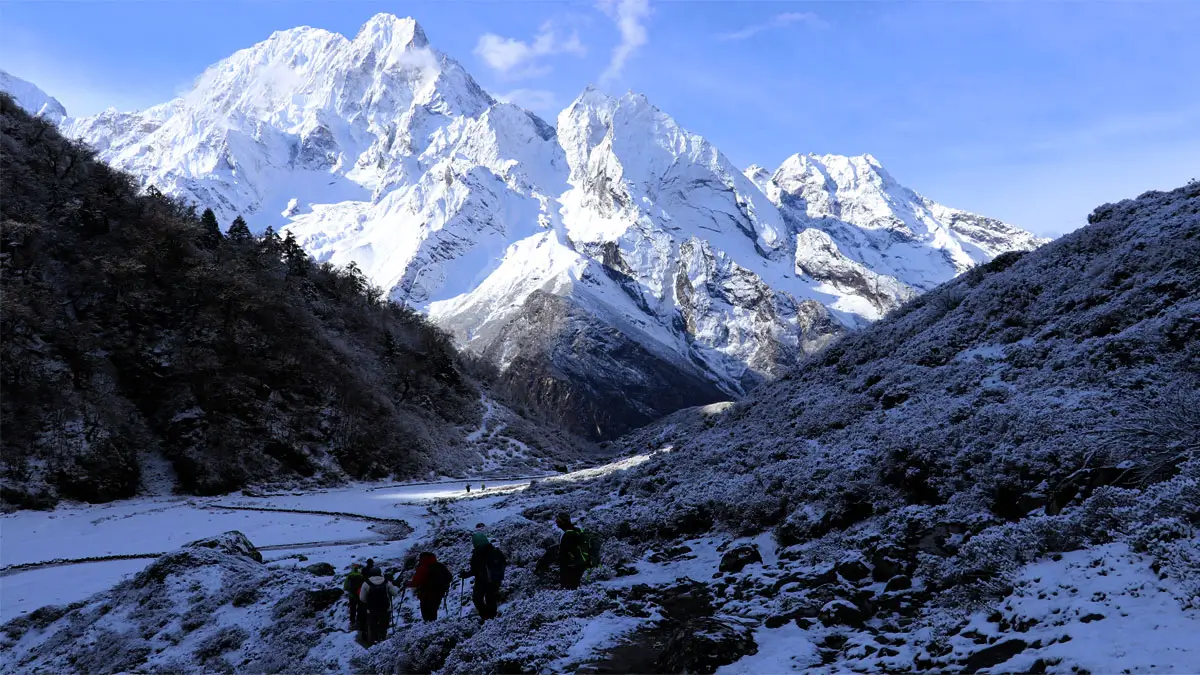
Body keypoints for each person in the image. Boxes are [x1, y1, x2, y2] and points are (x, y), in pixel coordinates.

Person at [461, 529, 506, 621]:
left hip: (481, 581)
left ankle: (486, 617)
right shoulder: (495, 551)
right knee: (491, 599)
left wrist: (465, 575)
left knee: (477, 599)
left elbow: (474, 570)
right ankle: (492, 619)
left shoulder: (478, 553)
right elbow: (503, 563)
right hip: (495, 580)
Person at [358, 566, 399, 646]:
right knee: (383, 626)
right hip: (385, 608)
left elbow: (362, 598)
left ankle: (375, 642)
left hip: (371, 610)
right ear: (380, 573)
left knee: (373, 626)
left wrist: (369, 603)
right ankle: (383, 640)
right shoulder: (386, 582)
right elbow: (395, 593)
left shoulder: (366, 583)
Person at [406, 552, 453, 622]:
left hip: (426, 595)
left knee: (427, 614)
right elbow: (449, 577)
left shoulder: (423, 568)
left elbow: (415, 583)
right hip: (439, 593)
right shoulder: (439, 566)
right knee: (433, 611)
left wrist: (407, 584)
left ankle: (430, 627)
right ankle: (434, 626)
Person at [556, 513, 586, 590]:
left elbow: (566, 551)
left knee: (568, 588)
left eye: (559, 521)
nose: (556, 523)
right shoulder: (577, 530)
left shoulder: (567, 535)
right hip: (579, 566)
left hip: (569, 567)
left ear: (564, 522)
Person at [342, 562, 365, 632]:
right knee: (360, 608)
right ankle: (359, 622)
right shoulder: (362, 576)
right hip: (360, 595)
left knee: (352, 609)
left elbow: (345, 586)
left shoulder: (349, 576)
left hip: (352, 596)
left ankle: (352, 623)